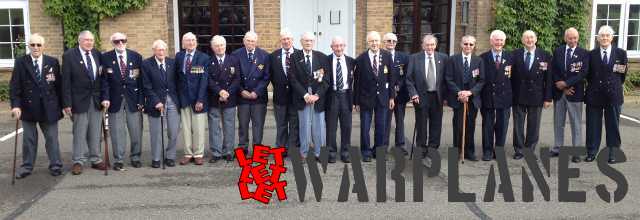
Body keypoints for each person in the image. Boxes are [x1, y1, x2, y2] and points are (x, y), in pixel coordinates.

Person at [10, 33, 64, 178]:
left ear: (43, 46)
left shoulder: (52, 62)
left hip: (49, 107)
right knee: (29, 139)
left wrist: (64, 106)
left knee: (52, 138)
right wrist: (16, 106)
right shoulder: (21, 62)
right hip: (28, 107)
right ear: (28, 46)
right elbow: (15, 87)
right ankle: (26, 167)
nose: (35, 47)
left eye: (38, 45)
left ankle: (56, 165)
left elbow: (59, 86)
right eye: (32, 44)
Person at [62, 30, 107, 175]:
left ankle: (96, 159)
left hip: (96, 100)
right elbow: (66, 82)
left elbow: (102, 79)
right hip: (78, 101)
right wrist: (67, 103)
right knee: (79, 132)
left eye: (92, 40)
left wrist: (104, 97)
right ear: (79, 40)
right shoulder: (69, 56)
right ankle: (78, 161)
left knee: (95, 131)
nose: (89, 43)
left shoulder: (97, 54)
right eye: (86, 40)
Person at [100, 32, 144, 170]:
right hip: (114, 99)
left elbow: (141, 82)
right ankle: (118, 159)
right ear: (112, 43)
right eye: (117, 41)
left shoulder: (136, 57)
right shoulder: (105, 58)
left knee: (136, 130)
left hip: (133, 99)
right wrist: (105, 98)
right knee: (117, 132)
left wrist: (141, 100)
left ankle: (135, 157)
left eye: (123, 41)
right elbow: (104, 81)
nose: (120, 43)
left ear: (126, 41)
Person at [585, 25, 627, 164]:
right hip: (594, 95)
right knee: (593, 126)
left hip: (613, 95)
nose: (604, 38)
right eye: (602, 35)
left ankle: (613, 153)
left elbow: (621, 75)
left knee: (613, 126)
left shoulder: (621, 54)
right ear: (598, 38)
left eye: (607, 35)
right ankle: (591, 152)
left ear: (612, 38)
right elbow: (588, 75)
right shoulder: (591, 54)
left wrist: (613, 86)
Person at [354, 31, 396, 162]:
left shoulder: (387, 56)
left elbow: (391, 78)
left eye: (376, 41)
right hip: (366, 99)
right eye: (371, 41)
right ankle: (366, 152)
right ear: (367, 42)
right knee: (365, 127)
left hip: (383, 98)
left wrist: (391, 97)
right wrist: (356, 102)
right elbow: (357, 82)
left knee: (381, 126)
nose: (374, 43)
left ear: (380, 42)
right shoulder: (360, 59)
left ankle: (378, 151)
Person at [511, 30, 553, 160]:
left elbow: (549, 79)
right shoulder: (515, 54)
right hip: (518, 95)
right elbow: (510, 76)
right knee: (518, 124)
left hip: (537, 95)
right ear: (522, 40)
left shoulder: (545, 55)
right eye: (526, 38)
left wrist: (548, 98)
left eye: (531, 38)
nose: (529, 40)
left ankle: (529, 149)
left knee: (534, 125)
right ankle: (519, 150)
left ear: (536, 39)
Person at [406, 34, 448, 159]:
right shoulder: (414, 58)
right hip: (421, 96)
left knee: (436, 123)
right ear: (423, 46)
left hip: (437, 96)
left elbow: (446, 78)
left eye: (432, 45)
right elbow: (409, 79)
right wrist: (413, 94)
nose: (430, 47)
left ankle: (433, 148)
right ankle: (421, 148)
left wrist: (446, 96)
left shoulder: (443, 58)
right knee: (421, 123)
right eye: (427, 45)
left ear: (435, 45)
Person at [289, 32, 329, 160]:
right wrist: (305, 94)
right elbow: (293, 78)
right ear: (301, 42)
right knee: (304, 125)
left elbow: (326, 79)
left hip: (318, 97)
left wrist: (317, 95)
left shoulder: (322, 57)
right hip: (302, 96)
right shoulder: (294, 57)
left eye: (311, 41)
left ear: (314, 42)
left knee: (319, 126)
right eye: (306, 41)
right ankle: (304, 152)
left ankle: (319, 152)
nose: (308, 43)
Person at [550, 27, 588, 163]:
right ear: (565, 38)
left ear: (578, 38)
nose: (573, 40)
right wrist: (560, 84)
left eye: (575, 38)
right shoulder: (558, 51)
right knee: (558, 122)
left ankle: (576, 151)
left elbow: (583, 73)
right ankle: (557, 147)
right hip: (560, 93)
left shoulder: (583, 53)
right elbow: (553, 70)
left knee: (575, 123)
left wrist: (565, 83)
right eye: (570, 38)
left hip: (575, 93)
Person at [445, 35, 485, 161]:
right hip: (458, 99)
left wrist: (470, 93)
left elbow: (482, 81)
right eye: (466, 44)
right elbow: (448, 78)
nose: (468, 46)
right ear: (461, 45)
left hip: (472, 100)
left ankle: (469, 151)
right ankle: (457, 151)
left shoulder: (478, 61)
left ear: (474, 46)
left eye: (471, 44)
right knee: (458, 125)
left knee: (471, 125)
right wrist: (460, 93)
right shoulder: (453, 59)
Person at [141, 39, 180, 168]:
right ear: (154, 51)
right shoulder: (146, 64)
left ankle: (170, 156)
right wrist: (156, 101)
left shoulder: (172, 63)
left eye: (163, 49)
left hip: (172, 101)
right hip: (155, 103)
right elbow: (146, 86)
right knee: (156, 132)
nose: (161, 52)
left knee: (173, 132)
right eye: (158, 50)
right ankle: (156, 158)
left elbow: (177, 82)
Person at [232, 31, 270, 156]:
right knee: (243, 124)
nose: (250, 43)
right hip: (242, 96)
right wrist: (241, 90)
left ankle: (257, 147)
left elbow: (266, 77)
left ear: (256, 42)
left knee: (258, 124)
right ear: (244, 41)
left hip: (258, 97)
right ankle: (243, 146)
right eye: (248, 40)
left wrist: (256, 92)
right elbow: (234, 76)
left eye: (253, 41)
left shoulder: (264, 55)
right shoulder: (236, 55)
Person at [176, 32, 210, 165]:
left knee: (199, 128)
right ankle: (188, 153)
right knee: (185, 128)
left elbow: (204, 80)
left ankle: (198, 154)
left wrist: (200, 99)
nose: (190, 43)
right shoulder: (179, 57)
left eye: (192, 40)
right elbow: (177, 78)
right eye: (188, 41)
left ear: (196, 42)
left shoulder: (203, 58)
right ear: (183, 43)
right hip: (183, 98)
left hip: (198, 99)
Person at [479, 30, 513, 161]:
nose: (499, 43)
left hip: (505, 97)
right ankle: (487, 151)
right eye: (496, 40)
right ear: (491, 41)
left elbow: (514, 78)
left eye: (501, 40)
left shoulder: (511, 57)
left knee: (502, 126)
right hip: (488, 96)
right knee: (487, 125)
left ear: (504, 42)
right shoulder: (482, 57)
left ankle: (498, 150)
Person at [207, 35, 241, 163]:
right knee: (214, 126)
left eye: (222, 45)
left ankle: (228, 151)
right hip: (214, 98)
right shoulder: (208, 61)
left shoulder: (233, 60)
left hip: (229, 98)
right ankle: (216, 152)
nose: (220, 47)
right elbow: (208, 80)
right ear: (212, 47)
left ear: (225, 46)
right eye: (217, 45)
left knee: (229, 125)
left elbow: (237, 79)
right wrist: (219, 91)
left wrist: (227, 92)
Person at [268, 30, 300, 157]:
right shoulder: (273, 56)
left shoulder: (299, 54)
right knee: (281, 124)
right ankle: (281, 148)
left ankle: (293, 148)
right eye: (284, 39)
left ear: (292, 40)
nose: (286, 41)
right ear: (280, 40)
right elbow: (270, 75)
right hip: (279, 96)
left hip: (296, 97)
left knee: (294, 124)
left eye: (288, 39)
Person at [325, 36, 355, 163]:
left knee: (346, 126)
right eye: (336, 46)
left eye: (341, 45)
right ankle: (331, 152)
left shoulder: (351, 61)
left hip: (346, 96)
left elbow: (355, 82)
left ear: (344, 46)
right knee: (331, 126)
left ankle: (345, 152)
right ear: (331, 47)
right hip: (331, 96)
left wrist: (354, 101)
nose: (339, 48)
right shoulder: (325, 60)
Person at [382, 32, 410, 155]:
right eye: (389, 41)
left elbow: (407, 74)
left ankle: (400, 144)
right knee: (385, 120)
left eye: (394, 41)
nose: (391, 43)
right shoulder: (380, 56)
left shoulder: (403, 57)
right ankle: (384, 144)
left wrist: (399, 86)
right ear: (384, 43)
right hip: (386, 94)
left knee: (400, 120)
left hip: (400, 94)